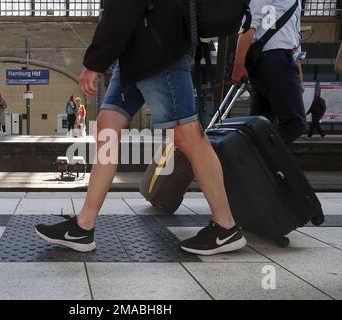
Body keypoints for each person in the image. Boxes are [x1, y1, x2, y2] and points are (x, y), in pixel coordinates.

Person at [35, 0, 247, 256]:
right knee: (108, 125)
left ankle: (226, 227)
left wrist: (95, 62)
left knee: (187, 135)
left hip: (159, 49)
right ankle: (84, 226)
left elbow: (124, 6)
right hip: (137, 50)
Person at [232, 0, 307, 146]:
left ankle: (255, 162)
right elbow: (249, 24)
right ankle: (266, 159)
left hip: (274, 61)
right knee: (295, 124)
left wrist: (299, 75)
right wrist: (238, 65)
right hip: (276, 60)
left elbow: (295, 38)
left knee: (260, 125)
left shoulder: (296, 2)